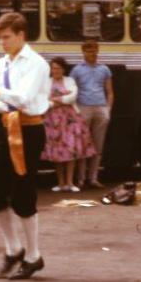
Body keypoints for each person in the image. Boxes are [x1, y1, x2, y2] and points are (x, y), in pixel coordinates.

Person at [0, 12, 50, 280]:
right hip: (6, 128)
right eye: (0, 38)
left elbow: (24, 99)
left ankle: (33, 255)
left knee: (23, 195)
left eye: (6, 37)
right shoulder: (1, 64)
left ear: (21, 36)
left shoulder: (37, 64)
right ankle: (14, 248)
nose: (2, 43)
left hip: (29, 129)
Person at [41, 56, 95, 192]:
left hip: (70, 119)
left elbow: (73, 97)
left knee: (71, 150)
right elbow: (43, 98)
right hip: (52, 120)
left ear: (63, 69)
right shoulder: (46, 82)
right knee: (57, 152)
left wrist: (55, 100)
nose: (55, 71)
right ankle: (60, 183)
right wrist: (60, 100)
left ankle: (70, 183)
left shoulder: (70, 80)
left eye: (58, 68)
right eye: (53, 68)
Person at [70, 39, 113, 189]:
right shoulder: (76, 70)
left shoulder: (104, 69)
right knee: (82, 145)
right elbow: (72, 91)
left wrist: (108, 109)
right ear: (83, 52)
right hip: (83, 108)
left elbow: (110, 92)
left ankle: (93, 178)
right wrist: (75, 111)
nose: (92, 53)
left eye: (94, 50)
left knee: (98, 146)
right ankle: (81, 179)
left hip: (101, 108)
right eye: (89, 50)